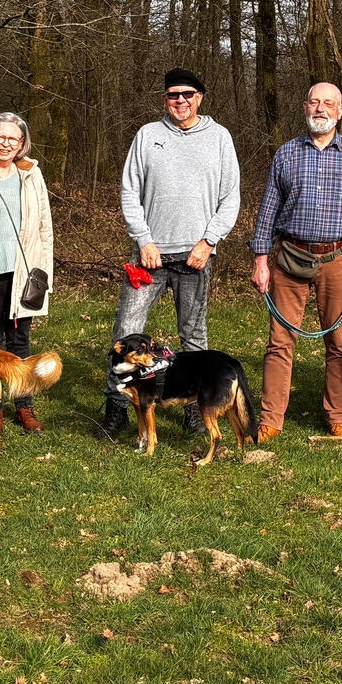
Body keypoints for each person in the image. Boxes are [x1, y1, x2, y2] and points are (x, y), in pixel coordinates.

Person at [97, 68, 241, 439]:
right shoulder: (148, 135)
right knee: (126, 331)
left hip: (196, 257)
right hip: (149, 257)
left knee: (193, 337)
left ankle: (194, 409)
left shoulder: (219, 138)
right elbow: (130, 191)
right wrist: (144, 239)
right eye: (173, 94)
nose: (180, 100)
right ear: (165, 99)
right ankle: (116, 409)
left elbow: (230, 198)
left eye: (187, 94)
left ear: (200, 97)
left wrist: (209, 242)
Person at [250, 82, 342, 440]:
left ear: (340, 111)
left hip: (340, 258)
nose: (320, 109)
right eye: (314, 102)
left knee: (339, 342)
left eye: (328, 103)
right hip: (290, 256)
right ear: (305, 107)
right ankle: (270, 421)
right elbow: (267, 212)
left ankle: (338, 418)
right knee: (280, 340)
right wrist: (260, 260)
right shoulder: (286, 154)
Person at [0, 112, 54, 434]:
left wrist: (44, 272)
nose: (6, 143)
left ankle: (24, 407)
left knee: (20, 340)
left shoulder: (31, 173)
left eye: (13, 139)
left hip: (24, 272)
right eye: (0, 137)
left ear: (22, 144)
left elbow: (45, 226)